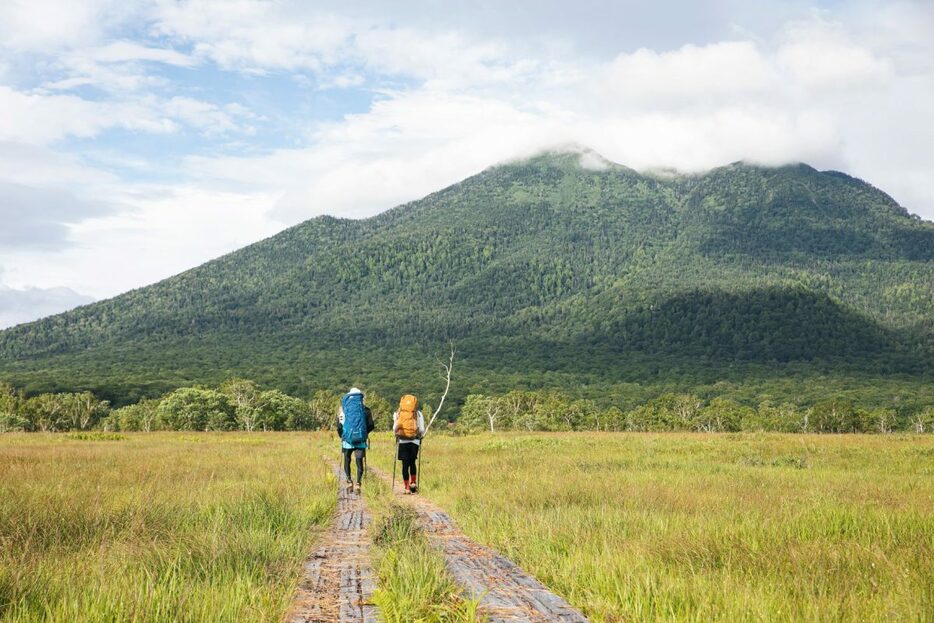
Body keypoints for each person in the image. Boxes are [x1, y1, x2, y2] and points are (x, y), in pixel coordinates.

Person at [336, 387, 374, 493]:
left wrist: (343, 436)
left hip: (347, 440)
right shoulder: (366, 410)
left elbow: (339, 426)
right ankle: (358, 483)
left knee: (347, 460)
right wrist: (364, 434)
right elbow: (371, 425)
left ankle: (349, 481)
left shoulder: (343, 410)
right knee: (359, 461)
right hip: (361, 440)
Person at [393, 394, 425, 494]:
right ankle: (413, 483)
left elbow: (394, 429)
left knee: (405, 465)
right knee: (412, 463)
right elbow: (422, 429)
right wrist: (420, 436)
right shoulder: (418, 414)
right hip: (414, 441)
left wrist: (397, 435)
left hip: (403, 441)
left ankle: (406, 488)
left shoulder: (398, 413)